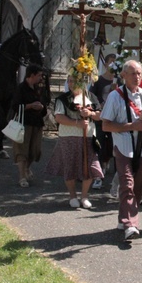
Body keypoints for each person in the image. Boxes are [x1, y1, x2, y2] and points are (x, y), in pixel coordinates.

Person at [100, 60, 142, 241]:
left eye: (139, 73)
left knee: (139, 186)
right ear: (124, 75)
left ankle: (123, 217)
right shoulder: (115, 96)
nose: (137, 77)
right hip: (123, 146)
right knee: (127, 184)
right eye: (133, 73)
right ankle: (131, 224)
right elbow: (106, 126)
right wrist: (131, 125)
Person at [46, 75, 103, 209]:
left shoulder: (91, 97)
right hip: (68, 137)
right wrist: (77, 123)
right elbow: (59, 117)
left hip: (88, 137)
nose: (71, 83)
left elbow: (100, 115)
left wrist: (90, 114)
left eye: (74, 80)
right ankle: (72, 196)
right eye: (69, 81)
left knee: (90, 166)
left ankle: (84, 196)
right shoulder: (63, 99)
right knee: (70, 166)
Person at [10, 64, 48, 189]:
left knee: (35, 151)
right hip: (23, 123)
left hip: (37, 123)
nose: (41, 78)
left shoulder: (38, 88)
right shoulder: (21, 88)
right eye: (39, 75)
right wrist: (30, 106)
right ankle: (22, 176)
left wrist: (41, 107)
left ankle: (27, 168)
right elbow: (15, 106)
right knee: (22, 151)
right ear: (31, 75)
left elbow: (43, 104)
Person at [89, 53, 117, 190]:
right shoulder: (98, 81)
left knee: (114, 148)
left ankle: (116, 180)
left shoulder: (119, 82)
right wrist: (98, 106)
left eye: (115, 62)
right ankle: (98, 177)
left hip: (115, 121)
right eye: (111, 62)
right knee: (98, 146)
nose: (113, 65)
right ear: (105, 64)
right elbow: (91, 96)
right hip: (100, 119)